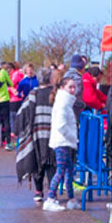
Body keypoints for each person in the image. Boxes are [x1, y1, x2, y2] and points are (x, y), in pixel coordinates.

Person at [15, 67, 56, 202]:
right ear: (50, 79)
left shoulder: (34, 94)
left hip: (37, 133)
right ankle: (52, 192)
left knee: (38, 162)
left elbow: (21, 112)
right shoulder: (55, 93)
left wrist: (21, 129)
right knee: (52, 163)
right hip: (53, 132)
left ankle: (38, 192)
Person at [43, 77, 79, 212]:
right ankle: (50, 199)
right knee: (61, 171)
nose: (73, 90)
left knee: (68, 170)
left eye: (74, 87)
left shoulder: (64, 101)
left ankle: (71, 200)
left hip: (64, 141)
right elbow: (61, 125)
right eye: (70, 87)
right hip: (62, 142)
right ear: (63, 87)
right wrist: (73, 138)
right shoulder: (63, 103)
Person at [65, 54, 87, 120]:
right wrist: (83, 105)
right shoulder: (78, 78)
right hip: (74, 109)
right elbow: (76, 93)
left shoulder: (66, 75)